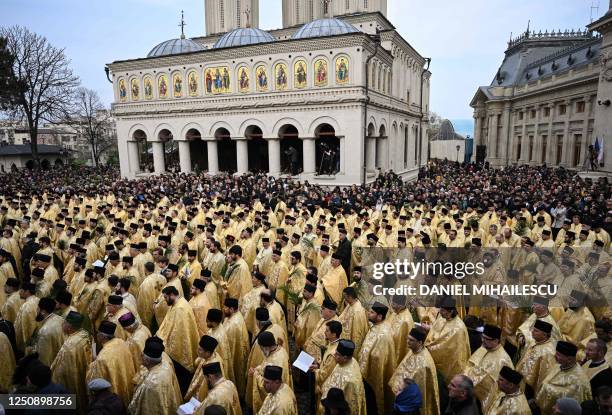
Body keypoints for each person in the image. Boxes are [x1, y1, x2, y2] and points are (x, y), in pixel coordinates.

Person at [155, 285, 199, 395]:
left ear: (172, 295)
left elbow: (177, 333)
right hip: (176, 340)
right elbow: (168, 323)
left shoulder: (180, 309)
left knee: (181, 375)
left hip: (179, 347)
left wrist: (163, 340)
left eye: (166, 298)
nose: (165, 300)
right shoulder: (177, 303)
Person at [389, 327, 439, 415]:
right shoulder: (413, 350)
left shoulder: (423, 365)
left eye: (411, 340)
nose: (408, 341)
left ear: (420, 342)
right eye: (408, 338)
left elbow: (420, 389)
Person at [86, 321, 136, 409]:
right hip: (126, 384)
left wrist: (92, 365)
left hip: (113, 396)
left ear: (103, 336)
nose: (97, 335)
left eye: (98, 333)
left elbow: (96, 380)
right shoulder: (121, 342)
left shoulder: (102, 358)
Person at [50, 311, 92, 413]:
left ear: (69, 327)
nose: (62, 325)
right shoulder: (85, 335)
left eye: (64, 323)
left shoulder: (69, 346)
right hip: (85, 375)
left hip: (72, 382)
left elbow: (62, 371)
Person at [359, 301, 397, 414]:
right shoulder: (376, 326)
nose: (368, 314)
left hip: (372, 376)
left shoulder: (384, 335)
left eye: (372, 312)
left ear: (380, 316)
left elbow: (379, 360)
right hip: (365, 372)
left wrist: (365, 369)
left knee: (372, 404)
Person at [127, 337, 182, 415]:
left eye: (142, 355)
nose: (140, 355)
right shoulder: (165, 365)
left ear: (147, 361)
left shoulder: (150, 385)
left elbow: (147, 409)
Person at [535, 341, 593, 414]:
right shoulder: (559, 365)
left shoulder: (579, 381)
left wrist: (547, 388)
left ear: (569, 359)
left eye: (558, 355)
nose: (555, 356)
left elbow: (570, 404)